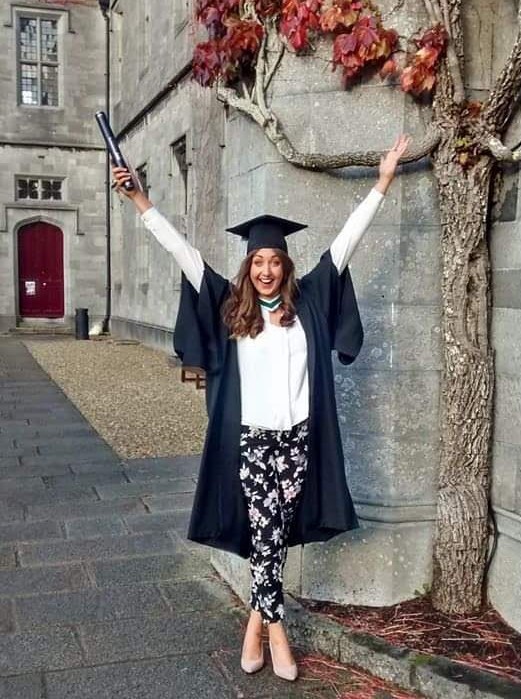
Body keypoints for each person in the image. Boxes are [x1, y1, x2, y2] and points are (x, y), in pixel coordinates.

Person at [111, 133, 410, 682]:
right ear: (248, 265)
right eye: (258, 261)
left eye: (274, 260)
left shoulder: (310, 303)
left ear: (286, 265)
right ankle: (275, 634)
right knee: (266, 529)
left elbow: (347, 242)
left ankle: (254, 620)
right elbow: (182, 251)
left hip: (296, 439)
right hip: (251, 440)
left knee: (273, 531)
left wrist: (383, 182)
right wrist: (138, 199)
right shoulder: (230, 307)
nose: (266, 270)